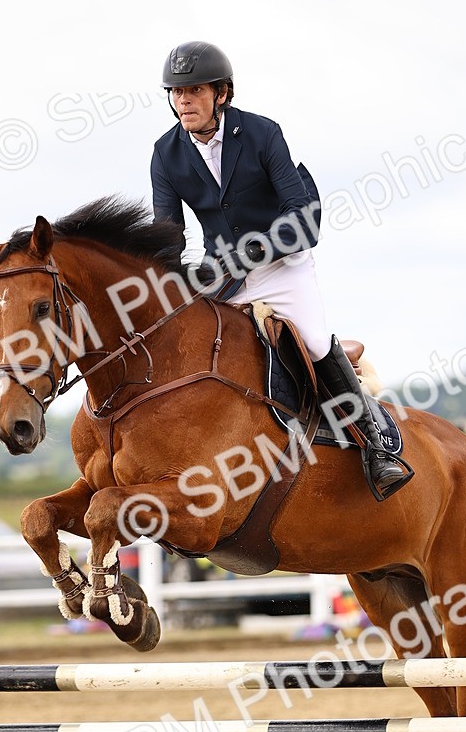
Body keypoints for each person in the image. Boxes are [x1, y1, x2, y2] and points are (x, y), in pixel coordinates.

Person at [150, 40, 412, 500]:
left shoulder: (262, 133)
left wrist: (256, 250)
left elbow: (299, 211)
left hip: (281, 263)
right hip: (223, 275)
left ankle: (376, 448)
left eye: (194, 90)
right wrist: (177, 280)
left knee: (312, 341)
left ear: (221, 93)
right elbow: (167, 235)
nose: (184, 100)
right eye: (176, 92)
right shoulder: (165, 153)